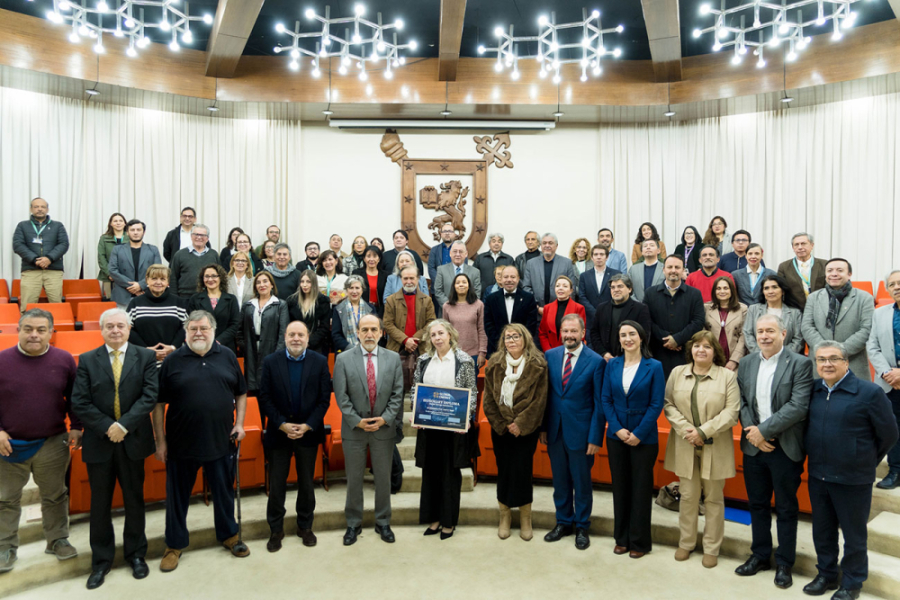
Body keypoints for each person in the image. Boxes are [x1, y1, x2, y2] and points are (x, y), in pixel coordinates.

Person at [154, 311, 250, 571]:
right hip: (180, 445)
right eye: (193, 328)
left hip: (221, 441)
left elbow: (241, 393)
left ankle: (229, 535)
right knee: (177, 498)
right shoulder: (172, 361)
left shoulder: (228, 356)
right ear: (185, 333)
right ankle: (174, 545)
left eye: (203, 328)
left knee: (224, 493)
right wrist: (160, 441)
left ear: (213, 331)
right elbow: (159, 404)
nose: (198, 333)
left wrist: (239, 424)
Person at [803, 341, 899, 600]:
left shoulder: (869, 393)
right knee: (822, 530)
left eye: (833, 358)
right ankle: (826, 574)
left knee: (854, 535)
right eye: (821, 360)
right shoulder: (813, 390)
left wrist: (865, 459)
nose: (827, 364)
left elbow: (889, 434)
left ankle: (853, 582)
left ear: (846, 362)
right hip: (819, 475)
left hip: (853, 479)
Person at [70, 309, 158, 588]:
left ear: (129, 328)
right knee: (100, 505)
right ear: (101, 330)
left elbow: (149, 396)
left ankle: (136, 555)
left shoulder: (145, 357)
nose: (116, 330)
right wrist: (109, 426)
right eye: (110, 326)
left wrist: (124, 426)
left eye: (121, 325)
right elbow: (80, 402)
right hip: (100, 441)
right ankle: (101, 562)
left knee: (134, 501)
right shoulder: (86, 360)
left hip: (132, 440)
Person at [735, 314, 814, 589]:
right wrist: (753, 434)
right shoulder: (745, 363)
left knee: (786, 508)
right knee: (756, 505)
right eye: (760, 331)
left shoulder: (801, 363)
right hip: (754, 447)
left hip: (784, 447)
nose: (765, 336)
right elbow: (742, 402)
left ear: (783, 333)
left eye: (770, 331)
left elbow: (798, 406)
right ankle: (759, 555)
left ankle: (784, 563)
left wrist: (763, 431)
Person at [0, 309, 82, 573]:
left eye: (41, 330)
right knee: (5, 499)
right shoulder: (1, 360)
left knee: (55, 495)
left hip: (53, 442)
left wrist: (77, 426)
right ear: (18, 329)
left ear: (51, 332)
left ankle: (57, 539)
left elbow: (74, 398)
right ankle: (5, 546)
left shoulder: (64, 360)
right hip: (9, 445)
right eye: (28, 329)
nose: (34, 335)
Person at [664, 329, 740, 569]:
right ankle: (686, 543)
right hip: (685, 443)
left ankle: (711, 548)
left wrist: (703, 431)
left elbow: (732, 412)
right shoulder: (677, 373)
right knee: (688, 496)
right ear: (691, 349)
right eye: (697, 346)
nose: (701, 350)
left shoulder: (726, 377)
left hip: (715, 444)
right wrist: (689, 431)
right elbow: (668, 405)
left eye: (707, 346)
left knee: (714, 498)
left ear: (714, 351)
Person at [257, 321, 332, 552]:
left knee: (307, 484)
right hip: (279, 435)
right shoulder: (271, 361)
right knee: (277, 484)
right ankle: (276, 530)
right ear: (285, 337)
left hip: (308, 434)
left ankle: (305, 526)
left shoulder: (319, 362)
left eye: (300, 334)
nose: (296, 338)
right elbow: (265, 397)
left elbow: (324, 399)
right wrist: (281, 424)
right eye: (292, 334)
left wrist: (308, 425)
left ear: (308, 338)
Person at [333, 315, 404, 546]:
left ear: (382, 332)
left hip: (383, 429)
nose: (369, 334)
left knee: (383, 479)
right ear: (357, 332)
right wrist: (357, 420)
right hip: (354, 430)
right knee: (354, 479)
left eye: (374, 329)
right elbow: (341, 397)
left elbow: (397, 394)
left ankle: (383, 522)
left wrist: (384, 419)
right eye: (365, 329)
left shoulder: (393, 359)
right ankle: (353, 523)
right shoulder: (343, 360)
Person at [601, 320, 665, 559]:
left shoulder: (654, 366)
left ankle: (639, 541)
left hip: (643, 438)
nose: (627, 339)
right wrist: (617, 429)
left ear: (641, 337)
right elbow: (605, 399)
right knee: (620, 488)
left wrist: (638, 433)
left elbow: (656, 403)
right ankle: (622, 538)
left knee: (640, 489)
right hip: (616, 436)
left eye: (631, 334)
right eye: (622, 335)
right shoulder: (612, 364)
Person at [542, 314, 606, 550]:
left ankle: (582, 526)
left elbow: (600, 403)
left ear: (582, 332)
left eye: (573, 331)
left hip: (582, 433)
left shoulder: (596, 361)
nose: (569, 335)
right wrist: (543, 428)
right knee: (559, 481)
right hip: (555, 431)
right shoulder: (550, 356)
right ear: (560, 332)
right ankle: (563, 522)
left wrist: (595, 436)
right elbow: (545, 396)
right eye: (565, 331)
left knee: (581, 482)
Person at [412, 320, 479, 539]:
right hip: (429, 427)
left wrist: (467, 417)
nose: (437, 338)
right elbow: (415, 390)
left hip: (453, 427)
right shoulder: (423, 360)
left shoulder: (464, 360)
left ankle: (449, 522)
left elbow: (472, 392)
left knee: (450, 475)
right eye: (433, 335)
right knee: (430, 473)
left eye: (441, 333)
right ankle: (434, 520)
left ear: (450, 335)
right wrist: (416, 412)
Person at [482, 323, 548, 541]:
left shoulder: (538, 364)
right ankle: (505, 515)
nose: (511, 340)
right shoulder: (495, 364)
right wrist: (505, 423)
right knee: (504, 471)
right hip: (501, 429)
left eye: (516, 336)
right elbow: (489, 399)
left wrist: (520, 423)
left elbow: (539, 400)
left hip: (525, 430)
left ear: (525, 338)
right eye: (507, 337)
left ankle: (526, 518)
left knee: (522, 471)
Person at [801, 258, 874, 381]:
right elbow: (807, 326)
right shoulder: (814, 297)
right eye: (830, 270)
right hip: (820, 365)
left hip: (853, 363)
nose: (834, 274)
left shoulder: (864, 298)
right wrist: (824, 352)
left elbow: (867, 329)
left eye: (840, 270)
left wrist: (839, 352)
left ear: (849, 274)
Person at [645, 255, 706, 378]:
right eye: (670, 267)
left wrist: (677, 339)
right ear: (663, 270)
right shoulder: (650, 293)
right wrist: (666, 339)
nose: (673, 270)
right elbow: (646, 320)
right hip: (657, 352)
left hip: (685, 353)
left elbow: (698, 321)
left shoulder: (694, 294)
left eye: (677, 267)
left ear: (683, 270)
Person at [867, 270, 900, 490]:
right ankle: (896, 470)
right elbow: (872, 346)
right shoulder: (880, 313)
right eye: (892, 284)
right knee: (894, 428)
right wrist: (889, 372)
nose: (896, 287)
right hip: (889, 382)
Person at [126, 264, 188, 367]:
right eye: (154, 278)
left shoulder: (178, 302)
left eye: (162, 279)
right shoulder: (135, 303)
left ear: (167, 282)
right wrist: (146, 350)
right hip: (143, 361)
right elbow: (128, 329)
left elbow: (186, 327)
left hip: (174, 360)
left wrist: (173, 347)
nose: (158, 282)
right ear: (147, 280)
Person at [12, 197, 69, 309]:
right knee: (27, 306)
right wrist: (35, 260)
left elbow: (63, 244)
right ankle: (27, 326)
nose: (39, 209)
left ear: (47, 209)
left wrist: (49, 258)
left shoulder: (58, 226)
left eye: (42, 207)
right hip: (31, 270)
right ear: (31, 209)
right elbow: (18, 245)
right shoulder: (22, 226)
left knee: (57, 305)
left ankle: (56, 326)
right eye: (36, 207)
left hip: (53, 270)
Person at [241, 271, 288, 399]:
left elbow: (284, 332)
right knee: (252, 386)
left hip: (271, 349)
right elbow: (239, 329)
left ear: (272, 285)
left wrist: (278, 353)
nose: (262, 285)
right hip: (251, 349)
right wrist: (244, 345)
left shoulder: (280, 304)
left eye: (265, 281)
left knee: (269, 388)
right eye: (258, 282)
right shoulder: (248, 305)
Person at [589, 274, 652, 360]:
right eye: (613, 287)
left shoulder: (640, 309)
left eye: (620, 286)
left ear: (629, 289)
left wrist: (624, 355)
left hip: (630, 359)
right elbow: (594, 333)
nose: (616, 290)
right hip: (604, 359)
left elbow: (644, 335)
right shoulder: (601, 308)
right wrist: (603, 353)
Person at [484, 265, 539, 356]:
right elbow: (488, 325)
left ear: (518, 279)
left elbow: (531, 325)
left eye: (513, 277)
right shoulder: (491, 299)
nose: (509, 280)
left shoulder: (528, 298)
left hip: (523, 350)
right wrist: (502, 345)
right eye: (506, 277)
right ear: (501, 279)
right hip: (497, 351)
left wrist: (519, 345)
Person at [743, 274, 805, 354]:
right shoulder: (753, 309)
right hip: (759, 357)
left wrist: (781, 355)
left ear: (783, 291)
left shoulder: (795, 313)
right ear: (763, 292)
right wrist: (762, 354)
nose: (770, 291)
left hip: (787, 359)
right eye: (766, 288)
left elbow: (798, 339)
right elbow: (747, 334)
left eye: (774, 287)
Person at [108, 219, 162, 308]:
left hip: (146, 293)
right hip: (122, 296)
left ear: (143, 232)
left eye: (138, 230)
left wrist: (141, 285)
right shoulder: (117, 249)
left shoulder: (153, 249)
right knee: (123, 321)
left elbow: (157, 271)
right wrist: (134, 287)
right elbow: (112, 270)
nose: (135, 233)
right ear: (127, 232)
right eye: (132, 230)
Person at [188, 264, 241, 355]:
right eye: (207, 276)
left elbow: (235, 324)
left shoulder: (231, 299)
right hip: (201, 346)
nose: (210, 279)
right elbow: (191, 323)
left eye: (214, 276)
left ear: (221, 278)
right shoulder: (195, 299)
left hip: (225, 346)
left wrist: (218, 341)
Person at [522, 233, 579, 313]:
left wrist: (564, 309)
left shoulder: (567, 263)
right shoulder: (531, 263)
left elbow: (571, 289)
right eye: (544, 243)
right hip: (536, 312)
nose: (547, 245)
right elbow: (526, 287)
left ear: (556, 246)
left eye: (550, 243)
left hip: (560, 312)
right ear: (541, 245)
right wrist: (536, 307)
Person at [441, 274, 487, 368]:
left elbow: (482, 329)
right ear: (454, 286)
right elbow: (445, 331)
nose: (461, 285)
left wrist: (482, 353)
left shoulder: (478, 305)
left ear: (469, 285)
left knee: (471, 382)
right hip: (452, 352)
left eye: (464, 282)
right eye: (458, 283)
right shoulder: (447, 306)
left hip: (473, 354)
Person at [704, 276, 748, 370]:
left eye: (726, 288)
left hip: (734, 360)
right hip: (711, 359)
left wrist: (734, 360)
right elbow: (703, 334)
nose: (722, 291)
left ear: (732, 290)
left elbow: (744, 336)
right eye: (718, 288)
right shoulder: (706, 309)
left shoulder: (743, 310)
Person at [776, 232, 827, 311]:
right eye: (796, 244)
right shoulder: (784, 267)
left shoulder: (824, 265)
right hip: (795, 311)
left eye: (803, 244)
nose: (800, 247)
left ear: (812, 245)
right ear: (793, 248)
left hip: (820, 309)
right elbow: (780, 290)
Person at [287, 270, 332, 357]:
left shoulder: (323, 301)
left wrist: (308, 342)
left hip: (317, 345)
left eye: (308, 282)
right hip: (296, 344)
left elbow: (324, 327)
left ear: (314, 283)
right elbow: (288, 324)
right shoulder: (292, 301)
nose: (304, 285)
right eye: (302, 281)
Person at [578, 244, 622, 332]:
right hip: (591, 319)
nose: (599, 257)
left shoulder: (616, 274)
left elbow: (619, 294)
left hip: (611, 317)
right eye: (596, 254)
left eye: (601, 254)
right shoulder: (584, 276)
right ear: (591, 257)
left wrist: (606, 312)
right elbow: (582, 297)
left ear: (607, 257)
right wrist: (595, 313)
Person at [169, 224, 219, 298]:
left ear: (207, 238)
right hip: (184, 297)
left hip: (208, 296)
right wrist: (174, 297)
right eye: (196, 234)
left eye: (202, 235)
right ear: (191, 236)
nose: (199, 237)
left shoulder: (214, 254)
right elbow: (173, 278)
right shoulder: (179, 254)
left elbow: (219, 277)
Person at [434, 241, 482, 316]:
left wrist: (466, 307)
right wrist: (450, 306)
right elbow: (438, 291)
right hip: (447, 314)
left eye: (461, 252)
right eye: (455, 251)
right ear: (450, 253)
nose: (457, 254)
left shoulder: (475, 272)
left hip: (468, 314)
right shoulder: (441, 270)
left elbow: (477, 292)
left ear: (466, 254)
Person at [539, 276, 587, 351]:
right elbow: (542, 333)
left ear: (571, 291)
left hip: (570, 351)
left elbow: (581, 334)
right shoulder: (547, 308)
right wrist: (549, 351)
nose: (560, 288)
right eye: (557, 286)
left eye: (565, 286)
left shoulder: (579, 308)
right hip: (551, 351)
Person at [332, 276, 376, 353]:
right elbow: (336, 335)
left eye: (357, 288)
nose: (354, 291)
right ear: (346, 290)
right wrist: (351, 348)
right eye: (351, 288)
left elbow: (375, 331)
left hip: (368, 350)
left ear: (362, 290)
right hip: (346, 352)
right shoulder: (338, 309)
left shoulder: (371, 309)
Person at [351, 245, 388, 317]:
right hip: (361, 310)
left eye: (374, 256)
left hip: (381, 311)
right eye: (368, 256)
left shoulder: (385, 275)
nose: (371, 259)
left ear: (379, 259)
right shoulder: (357, 273)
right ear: (364, 258)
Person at [97, 212, 127, 299]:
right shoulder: (104, 238)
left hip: (126, 276)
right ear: (111, 223)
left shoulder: (130, 238)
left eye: (121, 221)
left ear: (125, 223)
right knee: (110, 300)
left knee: (125, 300)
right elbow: (101, 257)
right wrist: (110, 273)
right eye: (115, 221)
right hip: (108, 276)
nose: (118, 223)